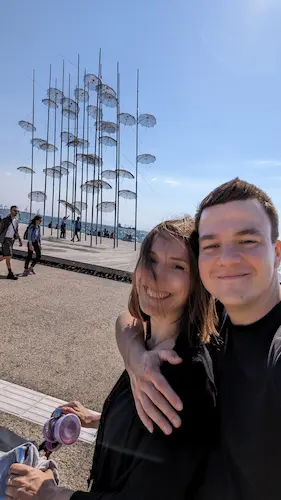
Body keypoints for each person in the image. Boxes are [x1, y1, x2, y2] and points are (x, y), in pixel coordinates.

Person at [6, 217, 218, 500]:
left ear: (198, 282)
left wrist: (48, 492)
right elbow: (146, 428)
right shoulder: (148, 342)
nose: (155, 275)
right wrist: (98, 418)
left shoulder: (186, 379)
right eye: (151, 259)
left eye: (177, 266)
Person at [115, 178, 281, 500]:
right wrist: (136, 359)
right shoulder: (224, 318)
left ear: (276, 253)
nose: (226, 258)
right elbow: (130, 319)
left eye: (247, 241)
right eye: (211, 245)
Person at [0, 205, 22, 280]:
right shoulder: (5, 220)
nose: (16, 212)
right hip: (5, 240)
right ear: (10, 211)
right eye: (14, 210)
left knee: (8, 258)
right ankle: (11, 273)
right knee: (9, 255)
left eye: (17, 211)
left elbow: (16, 231)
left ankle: (10, 273)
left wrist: (19, 239)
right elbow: (1, 230)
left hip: (11, 240)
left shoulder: (16, 221)